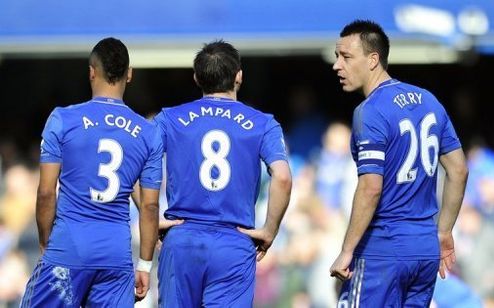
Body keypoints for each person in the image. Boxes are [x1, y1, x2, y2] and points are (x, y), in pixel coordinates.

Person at [328, 20, 468, 307]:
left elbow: (370, 188)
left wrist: (346, 249)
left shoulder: (370, 111)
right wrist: (443, 231)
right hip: (425, 247)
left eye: (346, 56)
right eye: (336, 56)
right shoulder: (429, 101)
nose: (337, 65)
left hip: (384, 247)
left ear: (373, 60)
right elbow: (459, 169)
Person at [20, 37, 163, 307]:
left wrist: (45, 242)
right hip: (116, 255)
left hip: (69, 246)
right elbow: (149, 205)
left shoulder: (62, 120)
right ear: (129, 75)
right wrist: (144, 264)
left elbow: (46, 192)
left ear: (91, 72)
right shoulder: (148, 132)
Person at [153, 40, 292, 307]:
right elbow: (283, 177)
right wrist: (269, 230)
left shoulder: (169, 118)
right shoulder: (263, 123)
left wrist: (151, 217)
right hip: (234, 241)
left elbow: (137, 164)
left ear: (196, 78)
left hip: (182, 238)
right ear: (239, 76)